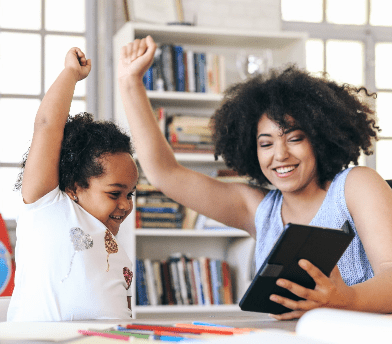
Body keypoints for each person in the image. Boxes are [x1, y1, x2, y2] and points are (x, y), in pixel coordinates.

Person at [117, 35, 392, 320]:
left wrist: (345, 298)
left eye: (295, 138)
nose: (280, 154)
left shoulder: (356, 185)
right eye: (266, 143)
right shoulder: (259, 210)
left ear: (320, 140)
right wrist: (130, 82)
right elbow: (166, 173)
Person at [7, 47, 138, 322]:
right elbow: (47, 126)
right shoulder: (47, 207)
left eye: (130, 194)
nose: (126, 205)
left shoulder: (117, 252)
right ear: (75, 186)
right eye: (115, 193)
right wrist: (70, 74)